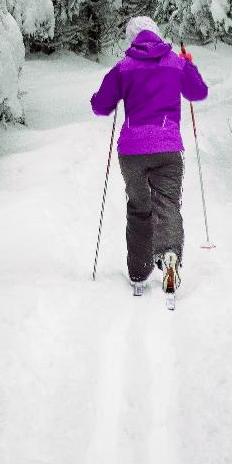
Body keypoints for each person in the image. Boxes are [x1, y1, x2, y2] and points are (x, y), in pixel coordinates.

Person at [90, 16, 208, 295]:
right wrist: (189, 64)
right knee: (167, 204)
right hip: (168, 148)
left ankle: (139, 273)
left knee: (139, 208)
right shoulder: (176, 63)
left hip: (132, 152)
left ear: (132, 39)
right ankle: (169, 255)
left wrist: (105, 96)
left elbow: (100, 106)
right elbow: (198, 92)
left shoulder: (124, 67)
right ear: (157, 34)